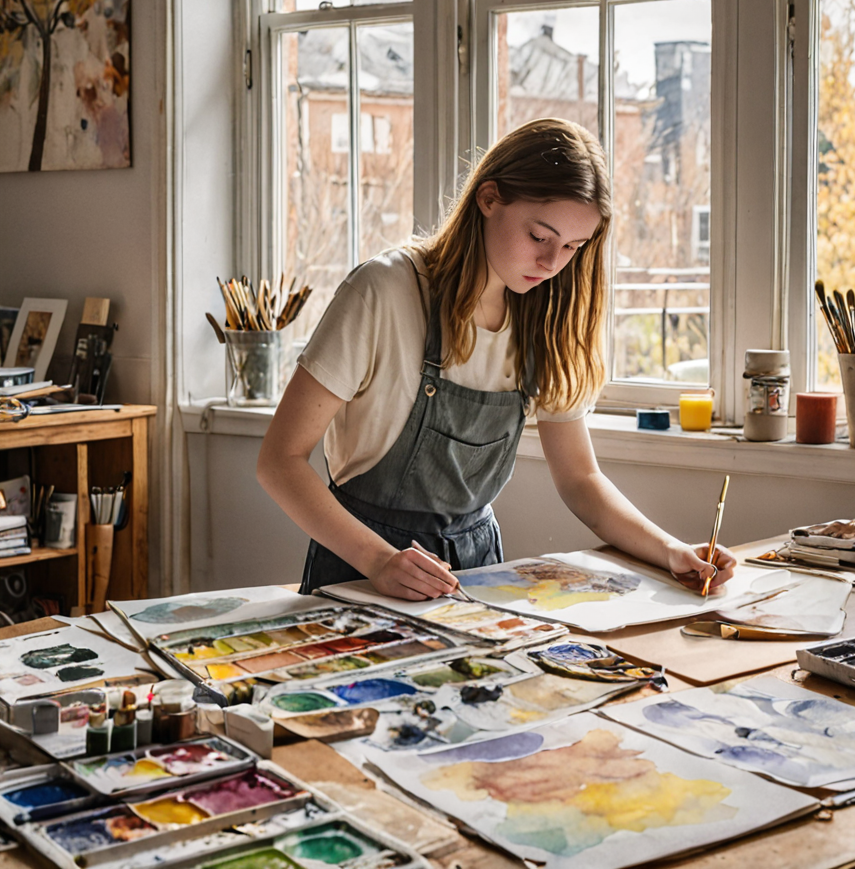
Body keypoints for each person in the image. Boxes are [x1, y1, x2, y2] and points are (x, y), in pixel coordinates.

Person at [257, 118, 736, 599]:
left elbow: (581, 480)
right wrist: (379, 560)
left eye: (572, 247)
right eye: (539, 237)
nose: (552, 265)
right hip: (360, 570)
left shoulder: (546, 318)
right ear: (489, 199)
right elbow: (280, 461)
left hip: (478, 575)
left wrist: (672, 551)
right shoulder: (385, 290)